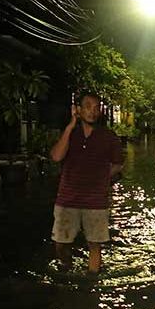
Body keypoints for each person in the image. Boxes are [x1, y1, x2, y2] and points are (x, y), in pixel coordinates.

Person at [49, 91, 123, 273]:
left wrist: (102, 178)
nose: (92, 111)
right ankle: (66, 268)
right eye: (88, 107)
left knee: (95, 245)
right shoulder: (70, 134)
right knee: (60, 243)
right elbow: (57, 156)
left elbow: (118, 164)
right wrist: (69, 127)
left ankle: (92, 283)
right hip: (67, 198)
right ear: (78, 110)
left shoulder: (108, 136)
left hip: (96, 201)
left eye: (96, 108)